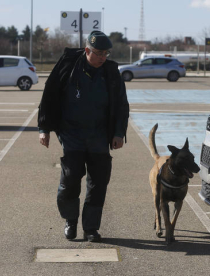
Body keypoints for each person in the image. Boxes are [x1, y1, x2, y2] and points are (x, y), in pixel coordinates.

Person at [37, 30, 129, 242]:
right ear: (87, 50)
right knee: (70, 181)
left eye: (106, 53)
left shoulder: (111, 72)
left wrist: (118, 133)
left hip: (98, 135)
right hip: (71, 134)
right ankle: (70, 220)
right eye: (98, 53)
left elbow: (122, 104)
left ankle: (91, 228)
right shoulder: (68, 66)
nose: (103, 57)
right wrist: (44, 128)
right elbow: (49, 95)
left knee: (98, 183)